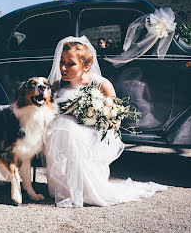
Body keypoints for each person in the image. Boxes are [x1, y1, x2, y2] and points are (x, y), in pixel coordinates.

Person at [44, 36, 167, 208]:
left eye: (70, 63)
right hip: (60, 133)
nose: (63, 68)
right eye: (61, 62)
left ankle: (85, 189)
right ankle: (63, 187)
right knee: (63, 128)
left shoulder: (100, 83)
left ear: (86, 65)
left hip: (90, 132)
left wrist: (98, 117)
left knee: (72, 132)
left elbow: (114, 117)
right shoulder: (58, 85)